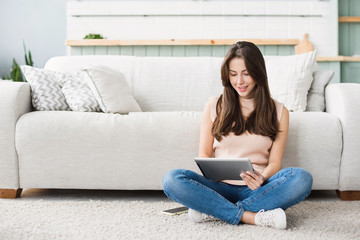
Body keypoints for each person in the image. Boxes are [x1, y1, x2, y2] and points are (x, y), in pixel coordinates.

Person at [162, 41, 313, 230]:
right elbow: (204, 153)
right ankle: (251, 216)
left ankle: (215, 210)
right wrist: (211, 171)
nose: (239, 82)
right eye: (233, 74)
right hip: (219, 188)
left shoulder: (280, 112)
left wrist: (262, 178)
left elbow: (275, 162)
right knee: (172, 179)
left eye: (246, 74)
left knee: (301, 177)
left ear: (258, 73)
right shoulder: (214, 105)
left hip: (258, 189)